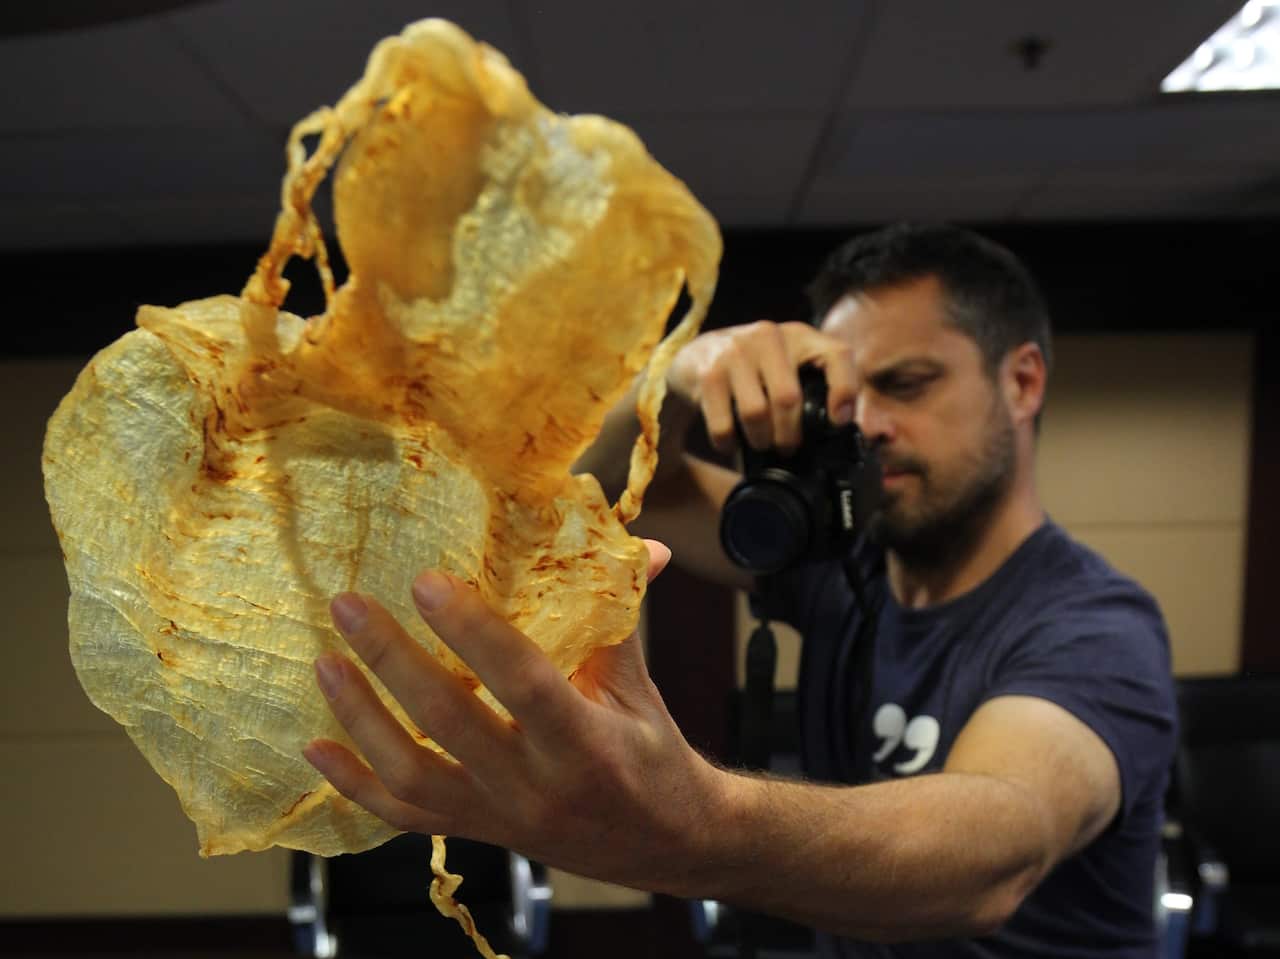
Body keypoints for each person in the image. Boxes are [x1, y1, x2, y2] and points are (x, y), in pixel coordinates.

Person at [302, 223, 1177, 957]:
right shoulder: (844, 567)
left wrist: (695, 822)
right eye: (844, 392)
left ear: (1021, 381)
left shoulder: (1095, 626)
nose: (866, 423)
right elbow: (560, 486)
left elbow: (997, 845)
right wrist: (668, 382)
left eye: (907, 384)